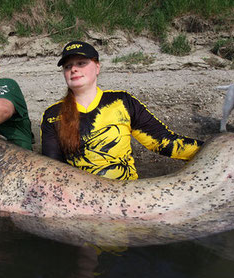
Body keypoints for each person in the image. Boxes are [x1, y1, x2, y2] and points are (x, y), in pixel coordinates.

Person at [40, 41, 203, 181]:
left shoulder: (122, 102)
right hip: (81, 198)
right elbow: (53, 169)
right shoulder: (53, 115)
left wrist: (213, 149)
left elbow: (163, 142)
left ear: (97, 67)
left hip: (127, 190)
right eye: (68, 66)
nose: (73, 69)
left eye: (81, 63)